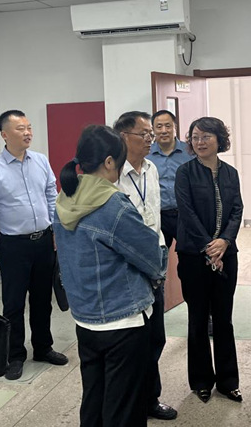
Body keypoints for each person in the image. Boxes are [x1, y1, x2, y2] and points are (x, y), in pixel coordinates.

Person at [54, 125, 168, 427]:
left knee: (94, 399)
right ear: (108, 162)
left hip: (85, 318)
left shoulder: (67, 196)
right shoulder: (112, 204)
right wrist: (159, 266)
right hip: (123, 320)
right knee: (124, 408)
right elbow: (151, 258)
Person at [0, 110, 68, 381]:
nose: (28, 133)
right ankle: (15, 355)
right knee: (14, 303)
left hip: (43, 241)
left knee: (43, 300)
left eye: (29, 127)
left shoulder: (40, 160)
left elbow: (52, 195)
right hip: (13, 245)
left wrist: (56, 230)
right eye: (20, 129)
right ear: (4, 134)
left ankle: (43, 347)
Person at [113, 111, 177, 421]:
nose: (151, 139)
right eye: (145, 134)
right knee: (133, 340)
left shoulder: (151, 168)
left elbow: (154, 216)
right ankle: (134, 401)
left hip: (155, 259)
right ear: (123, 137)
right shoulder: (113, 175)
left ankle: (151, 398)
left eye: (151, 133)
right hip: (127, 266)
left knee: (155, 336)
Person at [175, 117, 243, 403]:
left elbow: (237, 209)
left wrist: (225, 241)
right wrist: (208, 247)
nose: (200, 142)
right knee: (198, 319)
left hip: (227, 254)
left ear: (219, 139)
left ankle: (228, 382)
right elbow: (186, 212)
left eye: (206, 136)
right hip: (193, 256)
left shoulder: (230, 173)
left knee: (224, 319)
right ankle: (201, 380)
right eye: (195, 137)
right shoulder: (185, 172)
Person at [147, 109, 192, 249]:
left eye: (168, 126)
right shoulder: (146, 154)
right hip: (158, 215)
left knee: (189, 254)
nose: (164, 131)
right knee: (158, 254)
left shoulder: (190, 152)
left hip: (185, 214)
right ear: (153, 130)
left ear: (175, 127)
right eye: (159, 127)